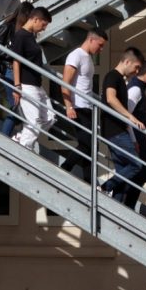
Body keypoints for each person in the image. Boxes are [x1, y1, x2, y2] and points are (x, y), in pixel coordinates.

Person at [59, 28, 108, 183]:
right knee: (87, 145)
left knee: (92, 147)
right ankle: (64, 168)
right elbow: (65, 83)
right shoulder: (76, 55)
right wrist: (69, 106)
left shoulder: (88, 58)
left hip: (88, 107)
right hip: (77, 107)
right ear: (91, 39)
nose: (101, 49)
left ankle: (89, 182)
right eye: (100, 45)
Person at [99, 48, 146, 203]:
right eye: (136, 67)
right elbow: (110, 98)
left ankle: (116, 208)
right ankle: (105, 187)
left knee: (122, 173)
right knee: (136, 165)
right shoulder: (113, 76)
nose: (137, 71)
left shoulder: (120, 79)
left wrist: (132, 138)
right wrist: (130, 117)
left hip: (118, 131)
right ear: (127, 61)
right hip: (115, 132)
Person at [10, 6, 54, 151]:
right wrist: (17, 86)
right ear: (35, 19)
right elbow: (16, 61)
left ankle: (20, 137)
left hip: (37, 84)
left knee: (50, 117)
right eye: (43, 24)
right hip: (27, 85)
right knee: (34, 123)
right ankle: (23, 150)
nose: (44, 29)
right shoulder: (20, 35)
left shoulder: (30, 36)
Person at [121, 59, 146, 208]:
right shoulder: (136, 89)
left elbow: (136, 111)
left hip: (139, 136)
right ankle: (124, 195)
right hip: (136, 137)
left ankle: (128, 201)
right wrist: (133, 140)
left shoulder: (138, 88)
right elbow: (126, 114)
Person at [0, 2, 33, 136]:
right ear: (24, 15)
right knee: (17, 106)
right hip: (9, 69)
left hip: (20, 71)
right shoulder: (7, 27)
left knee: (19, 106)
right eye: (30, 17)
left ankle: (10, 135)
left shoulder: (25, 31)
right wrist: (14, 56)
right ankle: (5, 137)